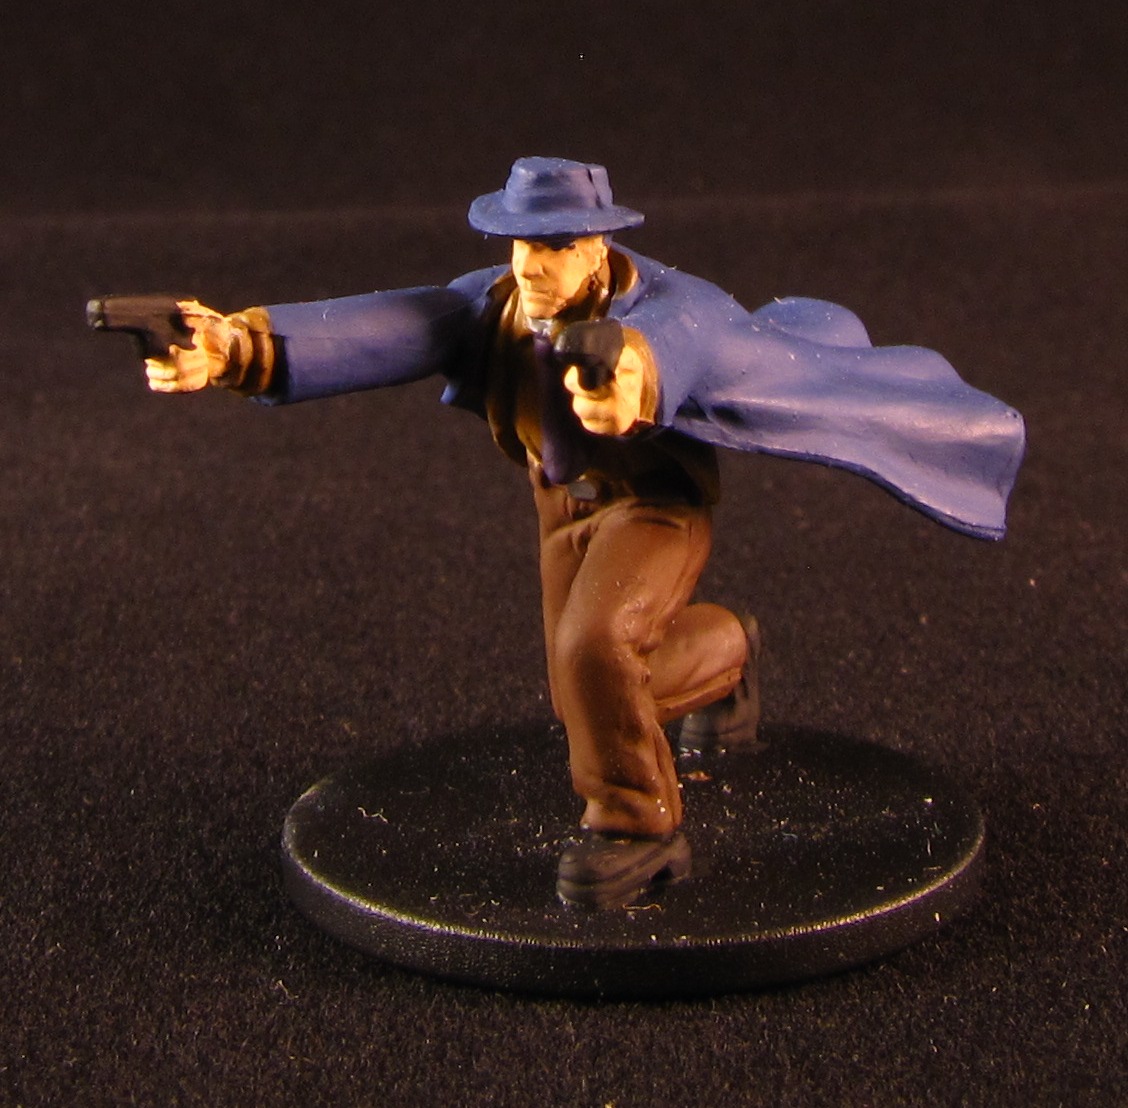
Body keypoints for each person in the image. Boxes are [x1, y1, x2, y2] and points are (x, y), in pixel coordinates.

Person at [141, 156, 1025, 908]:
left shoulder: (669, 305)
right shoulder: (492, 307)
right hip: (562, 505)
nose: (536, 263)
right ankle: (727, 651)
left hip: (654, 505)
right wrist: (234, 348)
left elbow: (680, 341)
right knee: (586, 699)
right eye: (524, 244)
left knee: (594, 646)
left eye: (559, 245)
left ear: (598, 245)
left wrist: (631, 378)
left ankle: (638, 831)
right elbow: (384, 326)